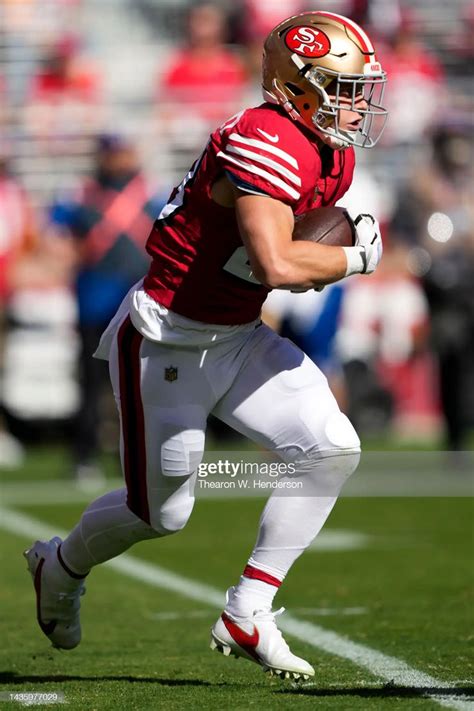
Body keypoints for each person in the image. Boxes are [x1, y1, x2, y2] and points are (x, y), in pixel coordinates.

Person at [24, 11, 387, 680]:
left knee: (331, 448)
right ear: (295, 86)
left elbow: (272, 261)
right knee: (160, 513)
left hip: (239, 332)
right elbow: (277, 262)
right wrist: (353, 259)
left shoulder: (330, 148)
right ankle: (61, 563)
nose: (356, 103)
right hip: (168, 340)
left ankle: (249, 607)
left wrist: (321, 253)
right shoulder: (265, 139)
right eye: (342, 86)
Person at [51, 133, 161, 482]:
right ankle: (85, 454)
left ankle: (137, 455)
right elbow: (56, 237)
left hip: (138, 303)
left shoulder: (152, 193)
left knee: (142, 383)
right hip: (94, 302)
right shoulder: (82, 194)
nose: (120, 160)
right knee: (91, 382)